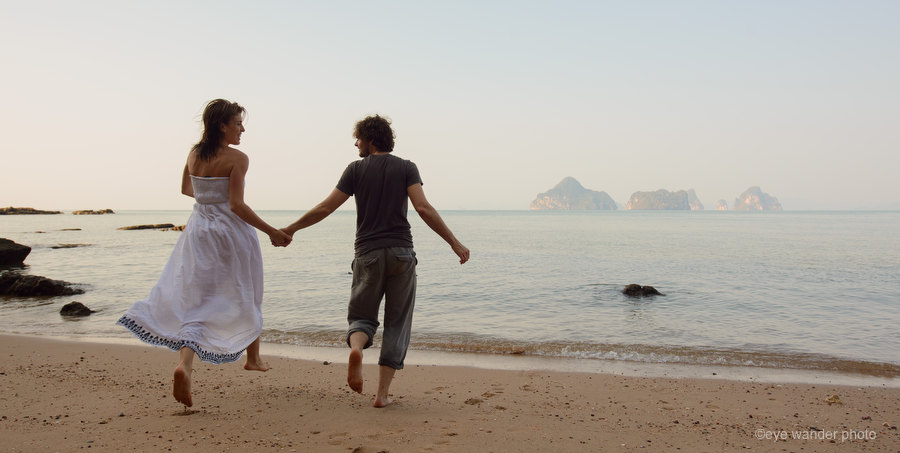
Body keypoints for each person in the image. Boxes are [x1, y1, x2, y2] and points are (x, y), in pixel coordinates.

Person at [281, 114, 470, 407]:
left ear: (370, 139)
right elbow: (423, 208)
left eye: (357, 138)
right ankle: (382, 394)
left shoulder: (355, 170)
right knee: (398, 323)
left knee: (361, 316)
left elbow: (325, 207)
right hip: (401, 253)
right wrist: (454, 243)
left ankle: (357, 348)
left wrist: (291, 228)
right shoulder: (407, 167)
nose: (355, 144)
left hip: (367, 253)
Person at [117, 99, 291, 408]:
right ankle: (253, 358)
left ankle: (185, 365)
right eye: (238, 123)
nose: (242, 128)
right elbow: (237, 205)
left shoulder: (194, 154)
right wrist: (272, 231)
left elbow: (188, 189)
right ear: (223, 125)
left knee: (196, 302)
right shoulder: (237, 158)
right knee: (247, 291)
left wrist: (210, 197)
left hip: (198, 232)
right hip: (230, 234)